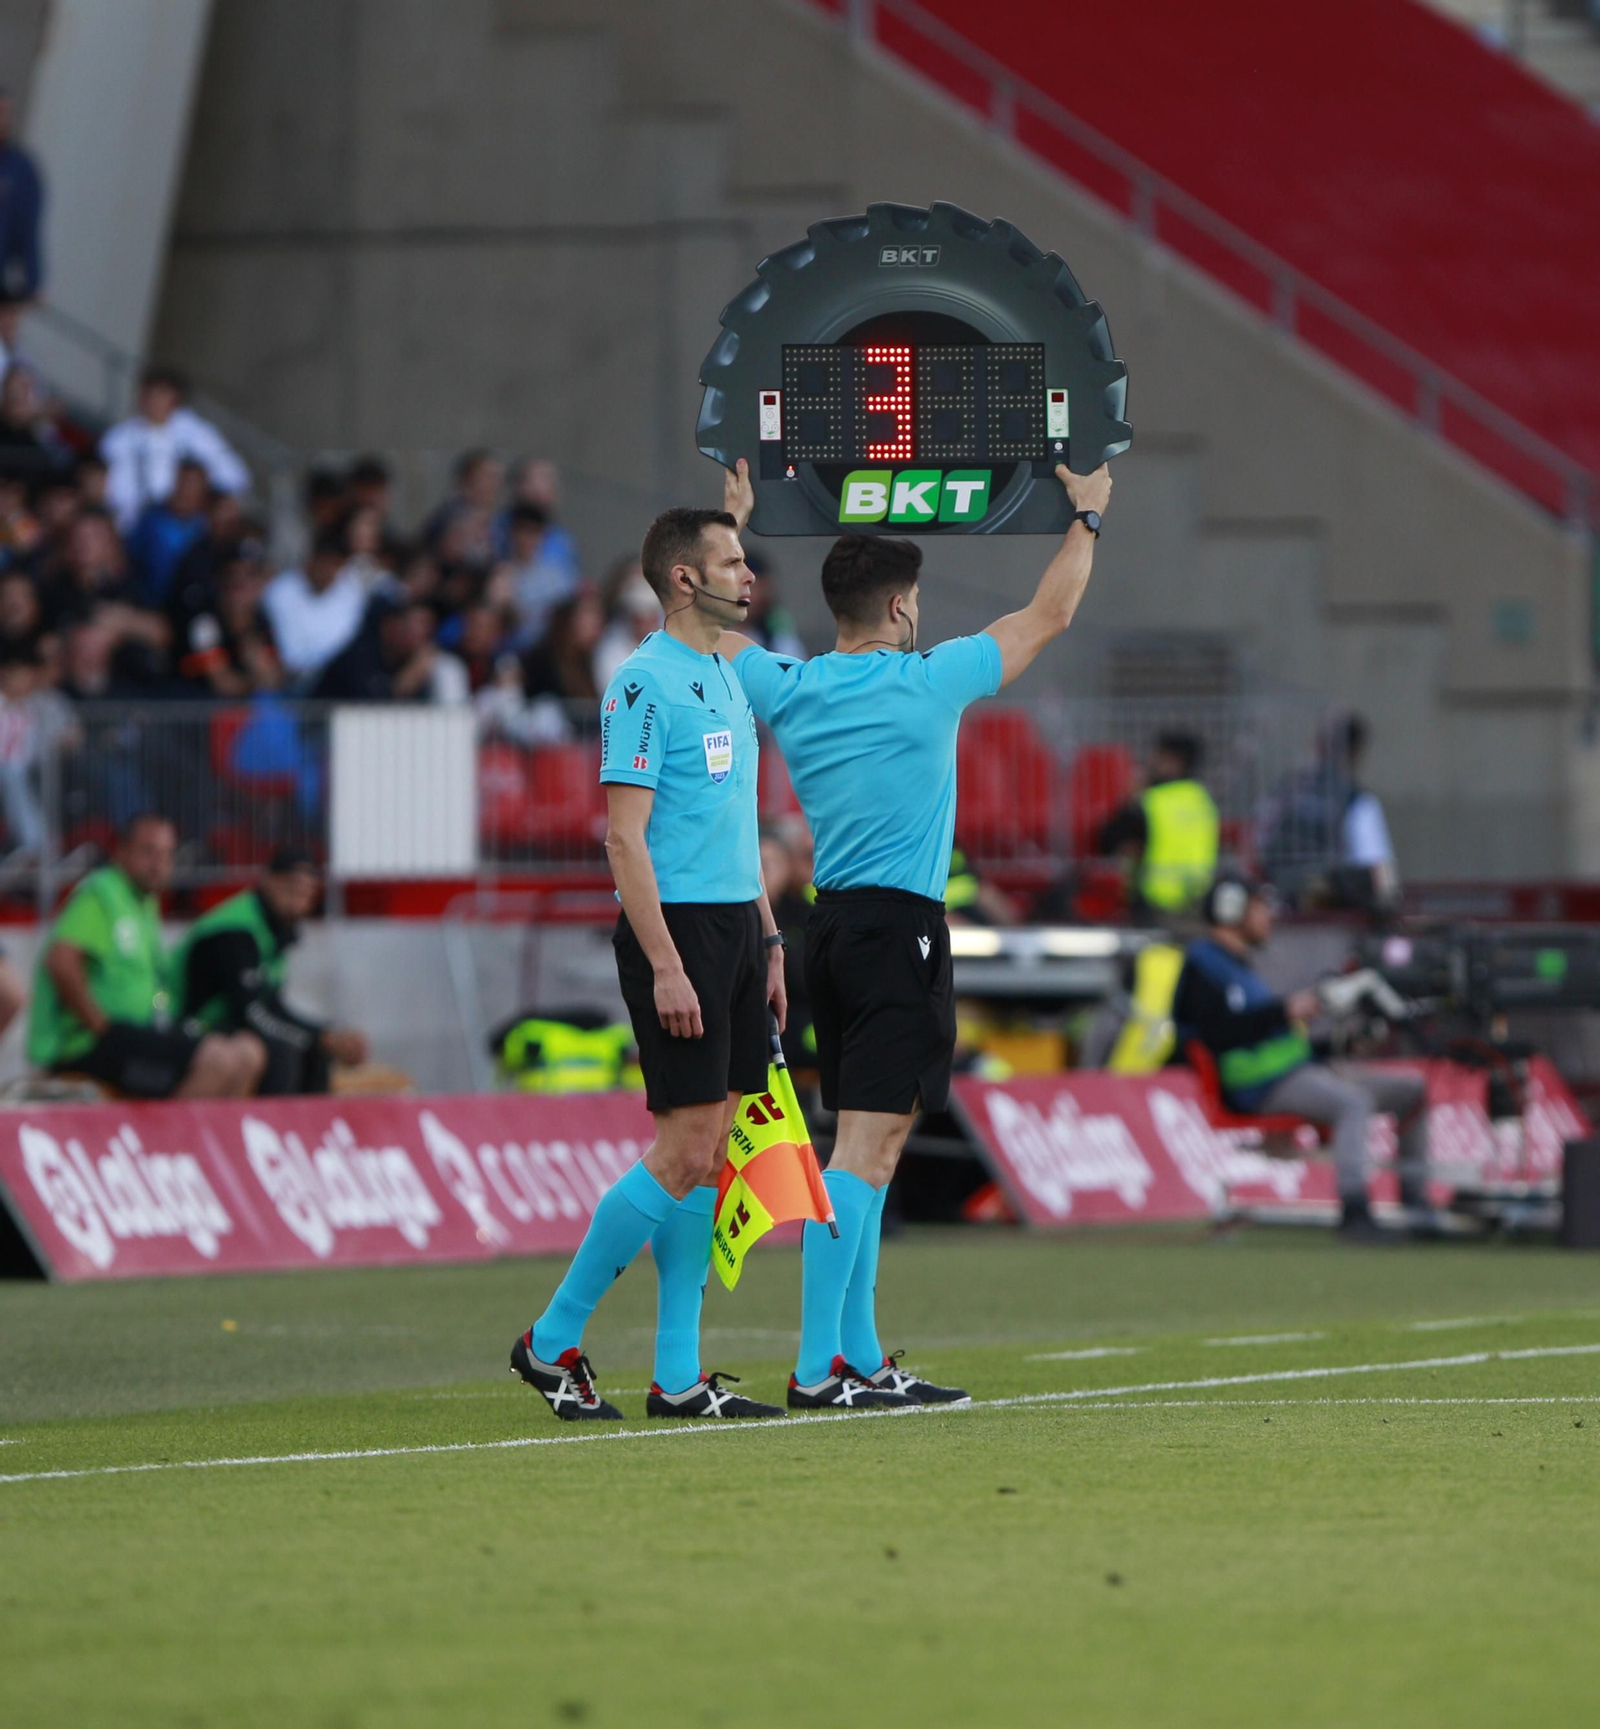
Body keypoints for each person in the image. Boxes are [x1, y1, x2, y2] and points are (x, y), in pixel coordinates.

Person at [718, 456, 1112, 1408]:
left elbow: (708, 633)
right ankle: (819, 1368)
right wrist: (1088, 518)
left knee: (873, 1146)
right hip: (901, 932)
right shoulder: (930, 680)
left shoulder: (793, 687)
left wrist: (729, 529)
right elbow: (1048, 615)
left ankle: (856, 1355)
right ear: (900, 607)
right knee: (861, 1152)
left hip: (834, 930)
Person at [508, 501, 791, 1425]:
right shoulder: (641, 683)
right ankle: (551, 1341)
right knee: (680, 1151)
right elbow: (624, 842)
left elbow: (735, 826)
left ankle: (678, 1376)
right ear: (684, 577)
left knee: (708, 1155)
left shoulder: (726, 674)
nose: (748, 575)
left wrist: (771, 937)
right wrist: (668, 962)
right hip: (681, 938)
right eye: (732, 560)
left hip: (739, 934)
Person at [1171, 875, 1428, 1240]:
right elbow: (1219, 1034)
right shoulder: (1204, 968)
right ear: (1232, 912)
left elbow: (1274, 1038)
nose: (1269, 919)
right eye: (1260, 910)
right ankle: (1355, 1212)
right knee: (1353, 1104)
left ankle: (1417, 1207)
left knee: (1412, 1091)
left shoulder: (1238, 967)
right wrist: (1285, 1011)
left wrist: (1335, 1047)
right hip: (1260, 1084)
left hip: (1294, 1072)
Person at [26, 814, 266, 1097]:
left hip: (139, 1033)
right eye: (148, 851)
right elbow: (62, 962)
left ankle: (203, 1139)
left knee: (249, 1052)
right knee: (217, 1060)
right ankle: (176, 1140)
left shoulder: (144, 902)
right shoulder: (101, 894)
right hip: (92, 1042)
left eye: (167, 854)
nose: (159, 864)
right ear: (121, 851)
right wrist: (100, 1026)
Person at [176, 848, 368, 1095]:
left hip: (226, 1028)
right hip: (192, 1027)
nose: (298, 900)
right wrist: (317, 1038)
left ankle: (303, 1130)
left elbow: (273, 1006)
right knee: (282, 1053)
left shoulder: (272, 930)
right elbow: (249, 1013)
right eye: (292, 886)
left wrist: (326, 1035)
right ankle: (269, 1130)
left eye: (307, 893)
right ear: (267, 880)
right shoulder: (237, 931)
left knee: (315, 1051)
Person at [101, 366, 250, 534]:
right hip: (128, 521)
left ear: (175, 399)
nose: (154, 401)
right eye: (150, 393)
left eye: (162, 394)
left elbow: (235, 476)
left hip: (181, 524)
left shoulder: (195, 432)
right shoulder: (118, 437)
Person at [1097, 730, 1218, 919]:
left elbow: (1106, 840)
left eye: (1158, 756)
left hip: (1154, 905)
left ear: (1174, 762)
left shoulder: (1151, 802)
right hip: (1197, 903)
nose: (1151, 762)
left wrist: (1131, 797)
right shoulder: (1203, 800)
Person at [262, 527, 367, 685]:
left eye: (338, 567)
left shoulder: (350, 591)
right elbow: (292, 655)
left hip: (335, 679)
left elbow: (347, 641)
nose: (333, 573)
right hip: (290, 682)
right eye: (329, 565)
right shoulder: (280, 591)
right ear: (314, 560)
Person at [0, 88, 43, 302]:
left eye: (8, 114)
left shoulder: (21, 170)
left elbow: (28, 230)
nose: (4, 120)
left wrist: (32, 281)